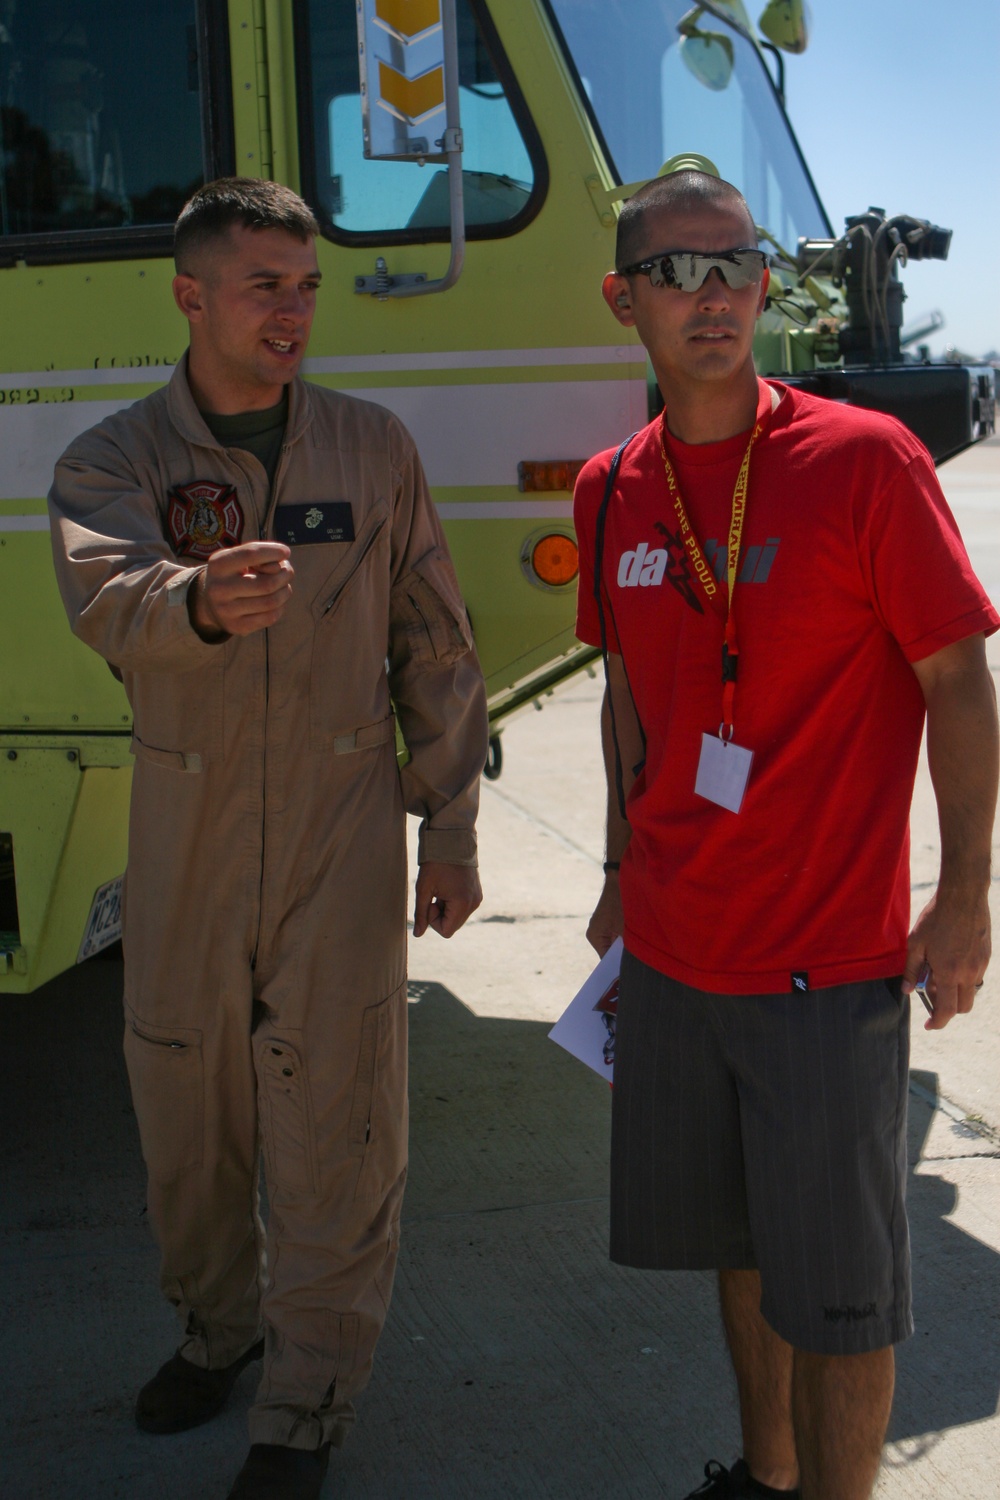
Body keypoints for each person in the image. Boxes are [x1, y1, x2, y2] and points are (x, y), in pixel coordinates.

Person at [48, 177, 488, 1500]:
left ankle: (303, 1402)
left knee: (338, 1117)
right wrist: (195, 601)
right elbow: (103, 593)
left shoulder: (371, 448)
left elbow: (437, 647)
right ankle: (218, 1333)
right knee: (186, 1106)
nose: (293, 311)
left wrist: (451, 824)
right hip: (184, 821)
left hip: (343, 818)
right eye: (263, 286)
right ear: (191, 296)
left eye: (306, 286)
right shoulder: (114, 457)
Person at [573, 169, 999, 1500]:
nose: (711, 295)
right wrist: (613, 871)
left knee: (844, 1298)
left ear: (767, 286)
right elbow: (628, 696)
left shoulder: (862, 460)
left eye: (733, 265)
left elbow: (958, 682)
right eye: (678, 270)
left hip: (828, 964)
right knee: (741, 1251)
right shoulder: (609, 489)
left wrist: (966, 894)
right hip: (681, 961)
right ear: (622, 297)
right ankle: (763, 1482)